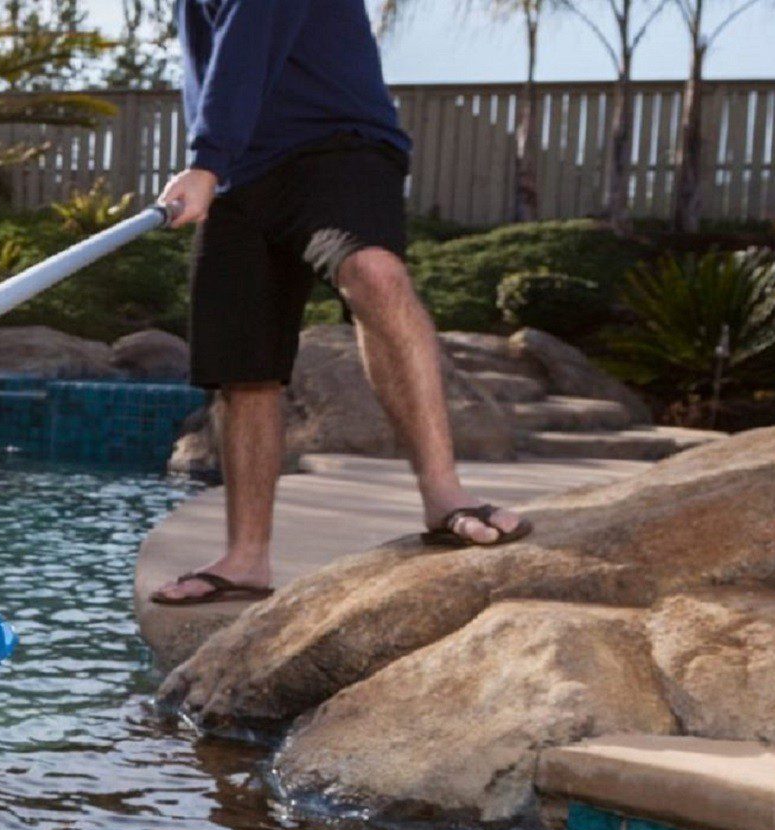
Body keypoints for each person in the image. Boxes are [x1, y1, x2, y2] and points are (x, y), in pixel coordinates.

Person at [148, 0, 533, 607]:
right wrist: (215, 166)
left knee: (374, 273)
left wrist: (205, 158)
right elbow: (213, 61)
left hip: (337, 145)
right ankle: (246, 557)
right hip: (240, 175)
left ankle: (444, 494)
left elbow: (256, 25)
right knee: (243, 368)